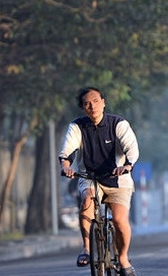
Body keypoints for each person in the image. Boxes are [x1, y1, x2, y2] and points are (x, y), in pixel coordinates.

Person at [59, 87, 139, 276]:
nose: (92, 106)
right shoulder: (77, 126)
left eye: (95, 101)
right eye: (87, 103)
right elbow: (67, 151)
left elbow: (132, 149)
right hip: (89, 177)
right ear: (82, 108)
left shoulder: (118, 124)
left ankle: (123, 258)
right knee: (87, 199)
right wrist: (66, 166)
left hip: (118, 179)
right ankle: (86, 249)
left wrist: (127, 166)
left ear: (103, 102)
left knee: (119, 220)